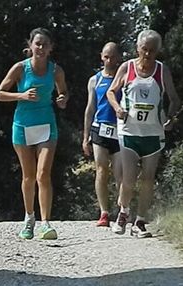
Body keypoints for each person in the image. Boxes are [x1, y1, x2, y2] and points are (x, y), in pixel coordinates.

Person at [0, 28, 68, 240]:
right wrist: (22, 95)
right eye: (38, 44)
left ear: (51, 48)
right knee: (28, 176)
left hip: (46, 125)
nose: (41, 48)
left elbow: (63, 91)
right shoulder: (20, 68)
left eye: (45, 44)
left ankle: (45, 223)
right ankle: (29, 218)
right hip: (22, 125)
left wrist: (62, 98)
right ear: (31, 45)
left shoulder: (56, 71)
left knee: (43, 174)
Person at [106, 30, 180, 238]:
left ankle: (140, 221)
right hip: (129, 131)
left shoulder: (161, 70)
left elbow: (174, 99)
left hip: (153, 133)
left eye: (152, 51)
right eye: (144, 50)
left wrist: (171, 118)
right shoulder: (127, 67)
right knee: (129, 178)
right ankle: (123, 213)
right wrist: (117, 109)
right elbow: (111, 92)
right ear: (137, 48)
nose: (147, 55)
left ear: (158, 51)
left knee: (148, 178)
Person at [82, 42, 123, 227]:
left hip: (121, 129)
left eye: (113, 57)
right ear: (101, 57)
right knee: (101, 169)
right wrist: (85, 137)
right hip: (100, 128)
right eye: (106, 57)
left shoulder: (124, 78)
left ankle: (123, 209)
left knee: (120, 172)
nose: (109, 60)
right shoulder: (95, 80)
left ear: (119, 58)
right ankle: (104, 212)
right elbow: (90, 108)